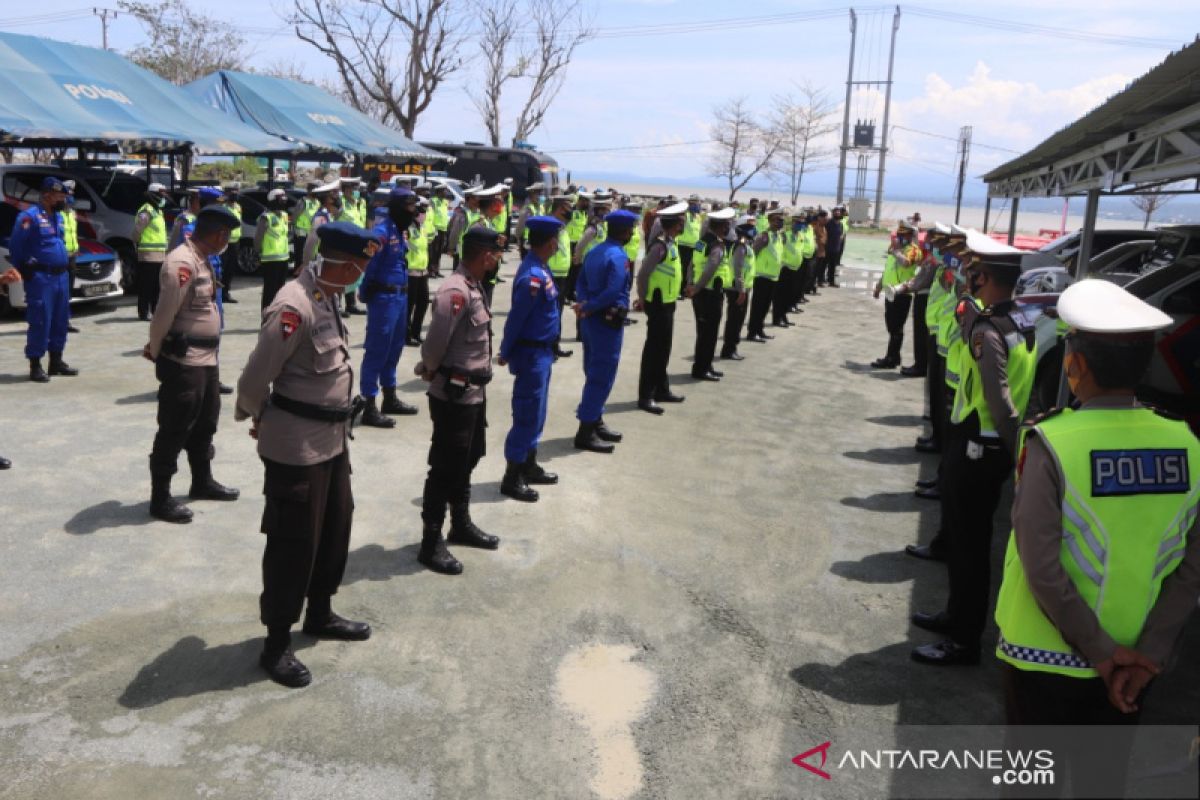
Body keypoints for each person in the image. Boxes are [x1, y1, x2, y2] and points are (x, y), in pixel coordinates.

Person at [994, 279, 1198, 794]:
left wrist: (1099, 652)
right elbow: (1191, 568)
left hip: (1044, 656)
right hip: (1135, 660)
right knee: (1100, 783)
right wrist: (1144, 654)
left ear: (1074, 365)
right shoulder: (1187, 445)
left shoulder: (1053, 441)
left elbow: (1039, 565)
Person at [235, 221, 378, 689]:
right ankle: (276, 644)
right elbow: (256, 375)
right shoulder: (293, 305)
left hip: (333, 442)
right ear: (342, 263)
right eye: (360, 266)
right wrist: (257, 414)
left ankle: (319, 612)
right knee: (292, 543)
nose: (362, 274)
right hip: (296, 445)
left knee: (335, 528)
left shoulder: (327, 295)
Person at [911, 248, 1038, 666]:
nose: (967, 276)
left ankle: (964, 640)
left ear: (984, 277)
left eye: (973, 271)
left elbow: (1000, 401)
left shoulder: (988, 329)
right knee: (969, 540)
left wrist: (1017, 454)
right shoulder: (1019, 320)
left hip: (980, 445)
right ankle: (955, 616)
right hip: (987, 444)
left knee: (968, 547)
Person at [142, 205, 242, 524]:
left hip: (207, 360)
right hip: (184, 361)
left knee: (206, 423)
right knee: (174, 427)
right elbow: (164, 314)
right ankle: (160, 497)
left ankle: (202, 481)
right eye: (226, 235)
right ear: (218, 234)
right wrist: (157, 350)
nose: (227, 241)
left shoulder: (203, 258)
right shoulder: (182, 262)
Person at [414, 227, 504, 576]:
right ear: (484, 255)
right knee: (445, 467)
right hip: (453, 394)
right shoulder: (454, 290)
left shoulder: (473, 283)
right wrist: (430, 369)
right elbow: (435, 343)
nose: (497, 260)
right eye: (495, 255)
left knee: (468, 458)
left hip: (472, 394)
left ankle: (460, 524)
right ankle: (430, 541)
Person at [497, 216, 565, 501]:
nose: (558, 244)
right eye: (556, 240)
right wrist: (505, 350)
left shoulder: (541, 269)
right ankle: (512, 477)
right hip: (531, 353)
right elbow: (517, 318)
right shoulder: (532, 277)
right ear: (550, 242)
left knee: (538, 412)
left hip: (543, 352)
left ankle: (529, 464)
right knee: (526, 414)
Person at [572, 209, 637, 453]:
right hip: (606, 322)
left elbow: (580, 282)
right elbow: (613, 290)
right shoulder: (618, 256)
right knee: (601, 376)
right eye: (631, 230)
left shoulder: (594, 251)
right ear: (624, 231)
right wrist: (590, 306)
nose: (632, 233)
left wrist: (584, 304)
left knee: (592, 370)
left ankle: (596, 419)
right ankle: (585, 432)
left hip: (590, 320)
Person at [359, 187, 420, 428]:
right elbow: (370, 266)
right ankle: (368, 404)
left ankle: (390, 396)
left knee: (394, 349)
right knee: (377, 350)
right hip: (384, 298)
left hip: (400, 298)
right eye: (409, 206)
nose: (413, 211)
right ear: (397, 207)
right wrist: (365, 292)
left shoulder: (399, 230)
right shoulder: (381, 233)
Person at [9, 177, 77, 383]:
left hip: (61, 276)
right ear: (47, 195)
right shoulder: (29, 217)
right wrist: (24, 268)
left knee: (60, 319)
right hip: (41, 278)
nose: (63, 200)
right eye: (60, 196)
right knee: (40, 320)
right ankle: (35, 363)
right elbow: (16, 246)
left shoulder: (57, 216)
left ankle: (56, 361)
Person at [634, 202, 688, 414]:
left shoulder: (671, 243)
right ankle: (646, 396)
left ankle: (661, 389)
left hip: (668, 301)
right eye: (681, 221)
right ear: (674, 224)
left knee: (664, 348)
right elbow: (643, 274)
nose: (684, 224)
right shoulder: (659, 246)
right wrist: (642, 298)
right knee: (654, 350)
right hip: (657, 303)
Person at [688, 207, 736, 381]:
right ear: (723, 226)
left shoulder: (702, 241)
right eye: (728, 224)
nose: (729, 227)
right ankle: (702, 369)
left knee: (704, 332)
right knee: (709, 333)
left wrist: (691, 284)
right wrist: (698, 286)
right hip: (710, 293)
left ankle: (705, 365)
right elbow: (711, 268)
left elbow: (692, 264)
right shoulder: (717, 245)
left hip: (700, 292)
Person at [871, 220, 921, 369]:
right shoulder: (894, 249)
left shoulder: (913, 250)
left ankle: (891, 358)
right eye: (899, 233)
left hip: (902, 292)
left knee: (896, 327)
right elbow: (888, 268)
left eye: (903, 234)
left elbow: (906, 263)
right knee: (890, 324)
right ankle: (894, 356)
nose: (899, 236)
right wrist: (879, 286)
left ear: (910, 235)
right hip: (889, 291)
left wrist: (897, 252)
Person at [132, 182, 172, 321]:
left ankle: (155, 311)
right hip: (148, 255)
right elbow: (137, 232)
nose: (163, 198)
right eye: (161, 195)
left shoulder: (158, 211)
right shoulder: (146, 211)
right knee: (146, 286)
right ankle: (143, 312)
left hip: (160, 255)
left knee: (157, 286)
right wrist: (138, 245)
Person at [746, 208, 785, 340]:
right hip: (762, 276)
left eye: (781, 220)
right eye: (777, 220)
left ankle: (760, 329)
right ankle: (752, 332)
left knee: (765, 306)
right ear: (770, 221)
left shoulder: (779, 236)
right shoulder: (764, 236)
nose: (780, 223)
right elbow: (753, 253)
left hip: (773, 276)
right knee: (758, 306)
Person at [720, 215, 754, 360]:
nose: (753, 230)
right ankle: (729, 349)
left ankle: (731, 347)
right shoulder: (740, 246)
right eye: (749, 227)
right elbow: (738, 268)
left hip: (742, 287)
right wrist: (741, 289)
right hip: (737, 288)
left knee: (738, 319)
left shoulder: (745, 244)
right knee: (735, 319)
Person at [545, 195, 575, 359]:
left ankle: (555, 346)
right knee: (550, 313)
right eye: (567, 207)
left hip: (563, 275)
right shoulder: (550, 227)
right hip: (552, 274)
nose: (571, 211)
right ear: (559, 209)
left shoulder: (562, 226)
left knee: (558, 312)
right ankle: (548, 347)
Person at [255, 188, 293, 310]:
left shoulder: (284, 215)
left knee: (281, 289)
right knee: (270, 291)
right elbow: (258, 238)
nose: (283, 201)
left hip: (283, 258)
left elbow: (286, 234)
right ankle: (266, 316)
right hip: (270, 260)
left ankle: (277, 314)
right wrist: (257, 254)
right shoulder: (266, 217)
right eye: (280, 199)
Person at [406, 195, 433, 346]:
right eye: (421, 211)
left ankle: (416, 332)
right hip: (411, 272)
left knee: (423, 302)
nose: (424, 214)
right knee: (409, 305)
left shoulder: (422, 227)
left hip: (423, 271)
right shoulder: (408, 228)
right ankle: (407, 334)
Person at [219, 184, 243, 304]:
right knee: (221, 268)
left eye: (237, 192)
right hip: (224, 242)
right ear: (227, 193)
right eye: (232, 192)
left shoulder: (238, 207)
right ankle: (218, 293)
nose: (235, 194)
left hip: (235, 242)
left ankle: (226, 293)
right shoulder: (222, 207)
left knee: (231, 269)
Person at [291, 182, 320, 274]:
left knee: (312, 256)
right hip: (301, 234)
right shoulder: (303, 202)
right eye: (315, 190)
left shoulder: (317, 202)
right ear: (309, 190)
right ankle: (298, 276)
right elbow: (294, 217)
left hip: (312, 234)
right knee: (300, 257)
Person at [428, 184, 451, 277]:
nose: (446, 193)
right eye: (444, 191)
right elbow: (431, 215)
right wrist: (432, 228)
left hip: (443, 229)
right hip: (435, 229)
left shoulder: (445, 202)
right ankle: (431, 270)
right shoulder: (433, 201)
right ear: (439, 192)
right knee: (434, 250)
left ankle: (437, 270)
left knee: (440, 251)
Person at [823, 205, 843, 288]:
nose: (837, 213)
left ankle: (831, 281)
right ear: (833, 213)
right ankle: (820, 280)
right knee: (823, 265)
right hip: (827, 248)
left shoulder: (840, 224)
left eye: (839, 212)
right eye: (836, 212)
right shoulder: (828, 223)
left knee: (832, 266)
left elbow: (841, 234)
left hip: (836, 248)